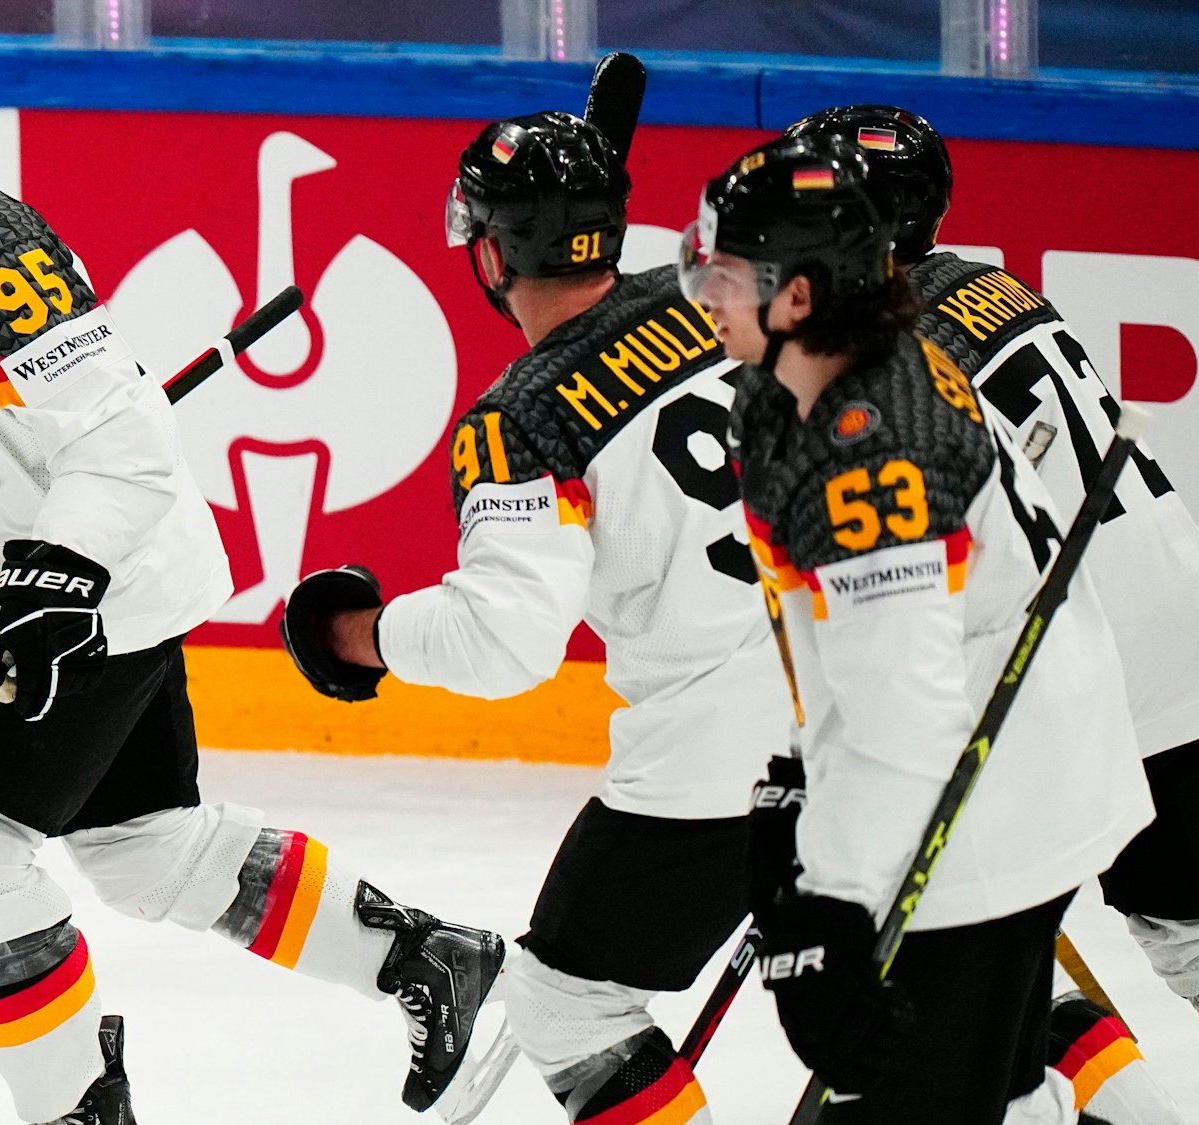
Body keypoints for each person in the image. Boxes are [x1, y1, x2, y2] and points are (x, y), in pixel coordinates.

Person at [0, 22, 506, 1125]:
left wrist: (59, 576)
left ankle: (74, 1109)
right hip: (34, 596)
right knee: (144, 851)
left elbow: (126, 444)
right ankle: (422, 956)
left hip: (101, 587)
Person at [281, 108, 792, 1125]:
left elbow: (503, 643)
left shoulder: (522, 418)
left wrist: (354, 634)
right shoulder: (722, 298)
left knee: (562, 1008)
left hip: (715, 757)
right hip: (878, 686)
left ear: (486, 252)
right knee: (981, 969)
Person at [692, 132, 1152, 1124]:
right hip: (1018, 764)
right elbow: (849, 650)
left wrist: (830, 912)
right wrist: (800, 779)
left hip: (990, 809)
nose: (702, 292)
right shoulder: (823, 378)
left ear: (800, 298)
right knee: (999, 1085)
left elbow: (905, 719)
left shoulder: (871, 453)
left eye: (724, 272)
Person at [789, 103, 1199, 1121]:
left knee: (980, 941)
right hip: (1190, 631)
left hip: (1070, 669)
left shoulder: (874, 357)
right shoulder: (994, 289)